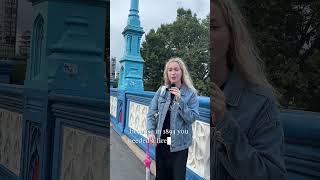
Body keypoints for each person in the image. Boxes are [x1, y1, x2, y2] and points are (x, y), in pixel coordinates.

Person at [210, 0, 287, 179]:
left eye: (213, 27)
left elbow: (271, 175)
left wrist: (224, 123)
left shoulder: (261, 102)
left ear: (231, 36)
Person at [147, 57, 199, 180]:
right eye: (170, 70)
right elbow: (151, 113)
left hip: (179, 146)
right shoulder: (162, 91)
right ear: (167, 73)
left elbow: (192, 117)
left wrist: (179, 101)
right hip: (162, 143)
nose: (173, 73)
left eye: (176, 69)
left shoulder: (190, 93)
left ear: (182, 72)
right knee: (161, 177)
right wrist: (151, 132)